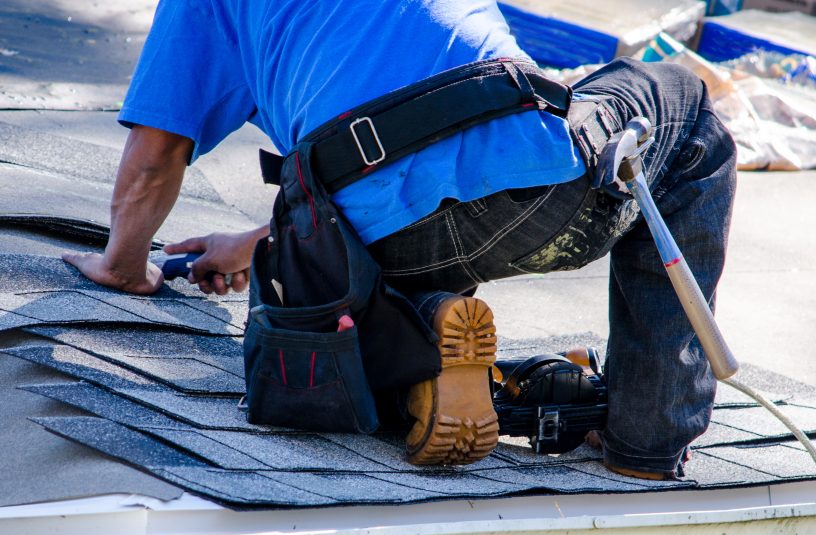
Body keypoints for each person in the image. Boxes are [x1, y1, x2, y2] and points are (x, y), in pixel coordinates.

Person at [63, 0, 736, 479]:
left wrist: (125, 267)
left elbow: (154, 159)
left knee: (372, 241)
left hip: (361, 248)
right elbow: (430, 112)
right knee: (685, 105)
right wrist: (249, 240)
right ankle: (646, 440)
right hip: (534, 193)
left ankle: (423, 344)